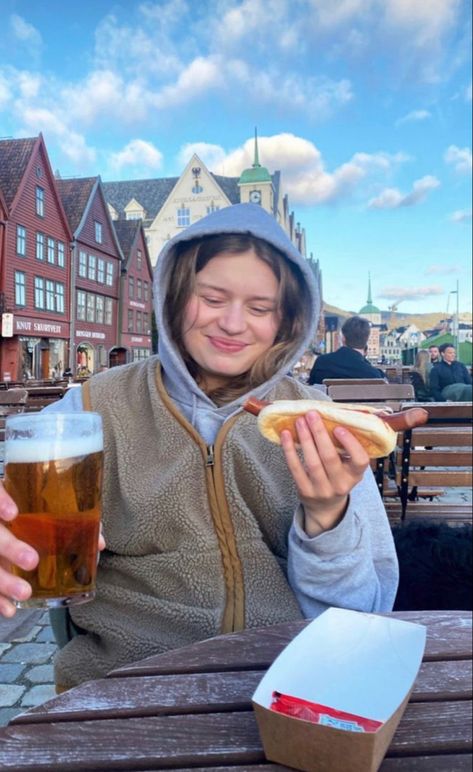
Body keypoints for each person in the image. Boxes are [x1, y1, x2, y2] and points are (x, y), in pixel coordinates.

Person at [0, 204, 398, 691]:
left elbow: (362, 616)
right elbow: (15, 534)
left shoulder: (316, 420)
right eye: (212, 298)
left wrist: (326, 517)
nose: (233, 324)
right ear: (175, 297)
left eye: (259, 308)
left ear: (286, 322)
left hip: (288, 687)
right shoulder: (88, 410)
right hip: (126, 690)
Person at [308, 315, 385, 384]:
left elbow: (311, 388)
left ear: (343, 338)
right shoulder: (373, 375)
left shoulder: (321, 362)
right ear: (366, 339)